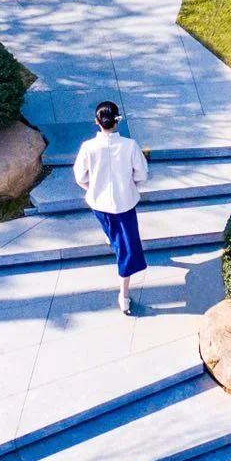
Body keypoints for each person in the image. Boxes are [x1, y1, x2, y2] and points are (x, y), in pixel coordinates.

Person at [73, 101, 149, 313]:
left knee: (114, 236)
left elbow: (80, 176)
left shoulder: (88, 147)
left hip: (99, 205)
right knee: (126, 250)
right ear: (117, 121)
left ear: (96, 122)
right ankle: (124, 296)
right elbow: (141, 174)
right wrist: (131, 187)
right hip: (124, 205)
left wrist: (92, 189)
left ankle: (111, 238)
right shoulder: (130, 145)